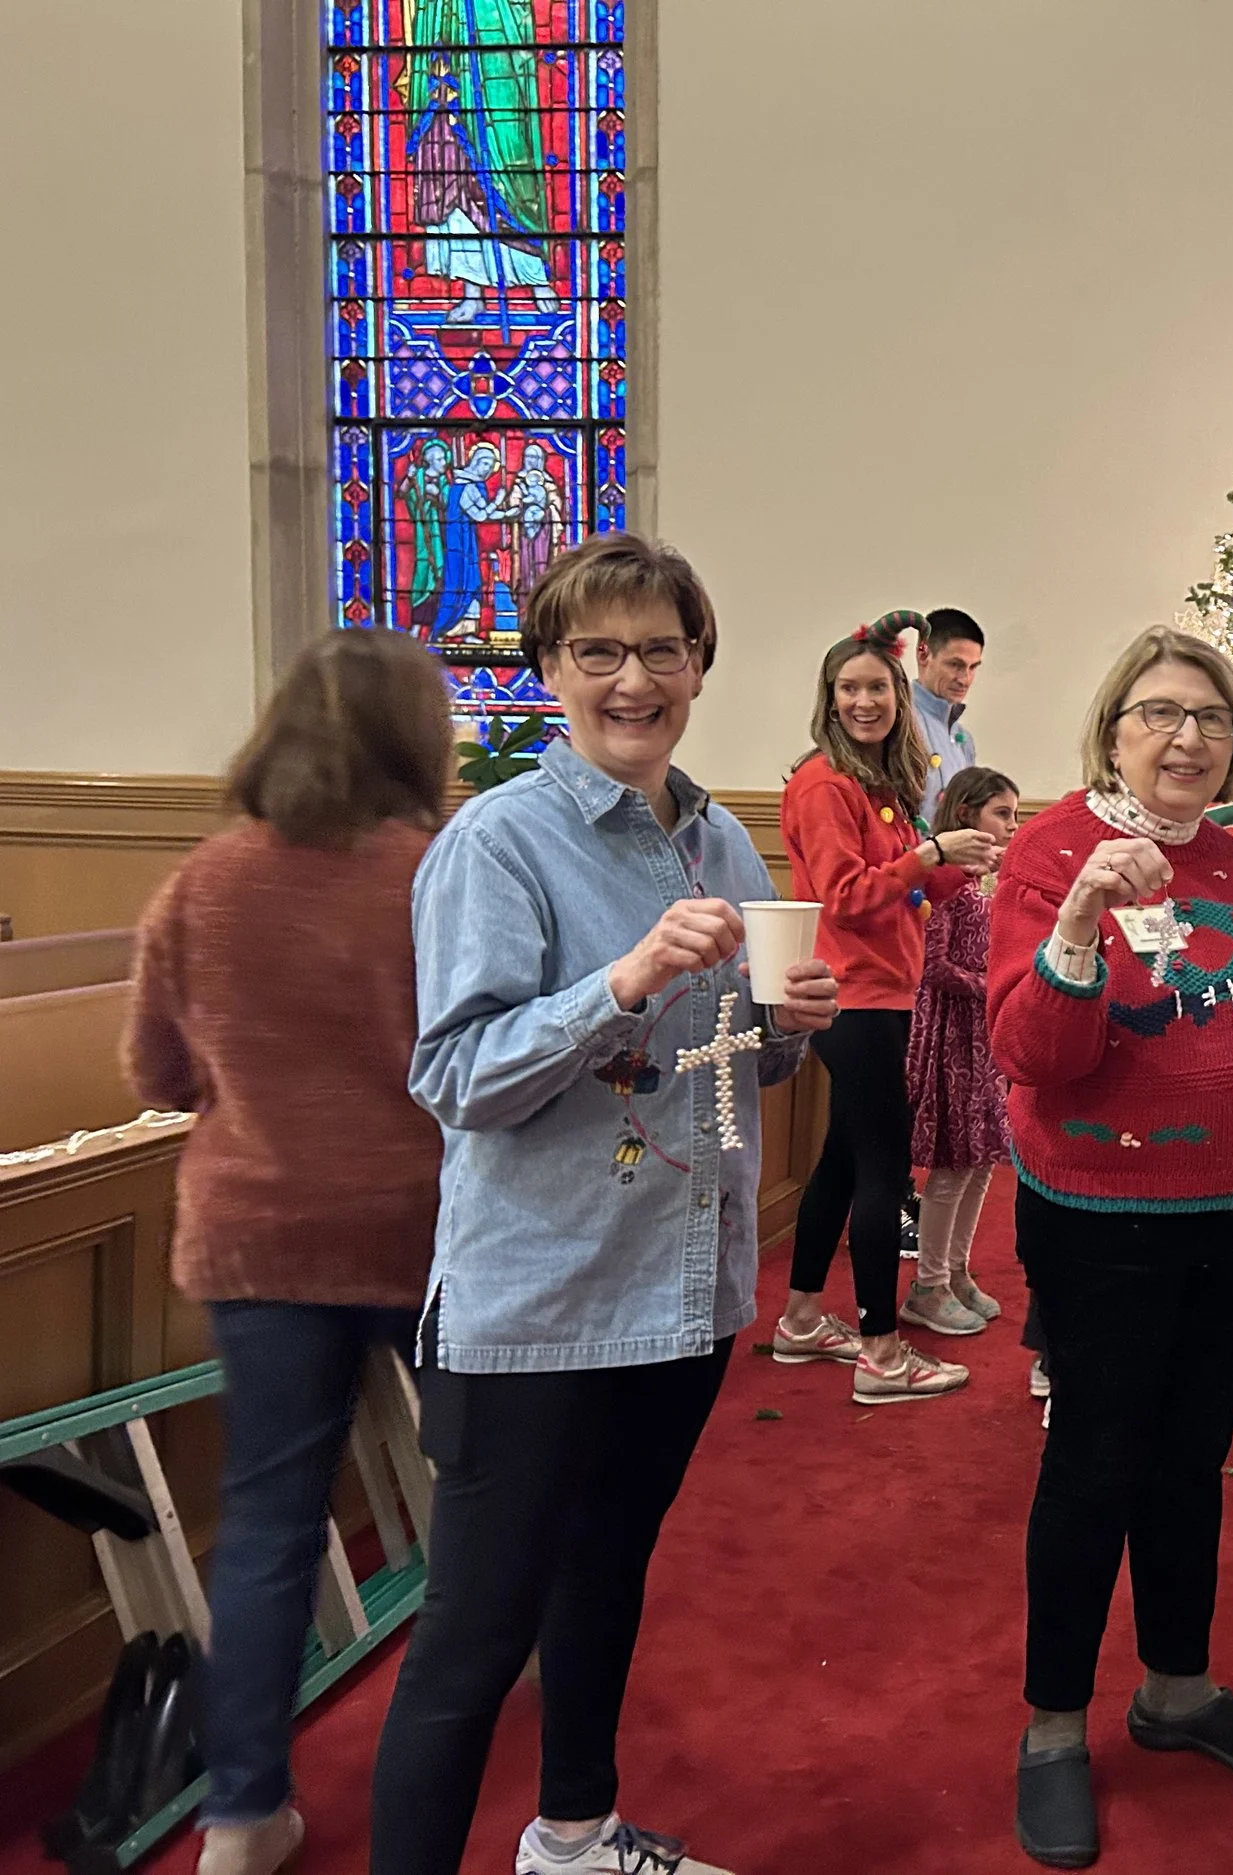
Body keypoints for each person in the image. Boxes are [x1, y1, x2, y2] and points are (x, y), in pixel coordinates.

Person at [368, 534, 840, 1875]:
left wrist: (790, 1025)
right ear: (548, 672)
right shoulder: (497, 844)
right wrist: (620, 980)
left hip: (680, 1285)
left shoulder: (722, 835)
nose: (634, 677)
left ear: (699, 663)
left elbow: (741, 1061)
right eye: (599, 651)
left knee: (604, 1577)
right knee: (472, 1636)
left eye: (662, 649)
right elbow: (455, 1075)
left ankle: (573, 1834)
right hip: (539, 1300)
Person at [991, 624, 1233, 1868]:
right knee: (1094, 1467)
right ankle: (1050, 1728)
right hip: (1100, 1219)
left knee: (1191, 1463)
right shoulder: (1052, 853)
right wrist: (1080, 920)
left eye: (1207, 717)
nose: (1185, 737)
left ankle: (1177, 1690)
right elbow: (1035, 1056)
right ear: (1112, 733)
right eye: (1157, 714)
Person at [119, 630, 450, 1875]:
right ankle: (479, 1701)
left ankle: (241, 1817)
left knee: (267, 1527)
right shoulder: (433, 875)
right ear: (415, 739)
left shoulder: (204, 883)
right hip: (422, 1232)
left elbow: (156, 1074)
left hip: (258, 1236)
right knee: (474, 1482)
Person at [773, 612, 1001, 1400]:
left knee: (842, 1159)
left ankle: (801, 1319)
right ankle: (881, 1351)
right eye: (850, 687)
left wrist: (958, 862)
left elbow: (903, 889)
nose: (864, 700)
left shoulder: (882, 787)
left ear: (900, 697)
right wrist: (930, 852)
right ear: (829, 698)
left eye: (877, 687)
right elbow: (845, 897)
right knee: (881, 1170)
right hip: (855, 995)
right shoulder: (822, 784)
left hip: (886, 989)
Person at [903, 764, 1021, 1335]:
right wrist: (991, 985)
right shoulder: (946, 876)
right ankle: (927, 1286)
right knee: (952, 1165)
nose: (1011, 825)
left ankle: (956, 1269)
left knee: (980, 1164)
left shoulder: (991, 877)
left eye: (1016, 815)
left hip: (983, 1035)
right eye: (1002, 813)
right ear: (968, 813)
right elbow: (934, 965)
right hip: (951, 1031)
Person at [913, 607, 987, 823]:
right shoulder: (897, 722)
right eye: (955, 665)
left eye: (973, 667)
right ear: (923, 654)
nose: (965, 679)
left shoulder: (964, 741)